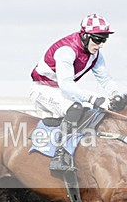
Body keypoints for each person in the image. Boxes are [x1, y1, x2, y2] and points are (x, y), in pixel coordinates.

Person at [29, 13, 121, 172]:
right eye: (97, 39)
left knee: (90, 112)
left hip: (58, 90)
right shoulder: (67, 50)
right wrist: (93, 98)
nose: (100, 45)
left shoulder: (95, 55)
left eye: (104, 40)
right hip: (41, 88)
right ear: (85, 36)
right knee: (76, 108)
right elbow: (66, 85)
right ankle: (58, 156)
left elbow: (105, 79)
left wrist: (116, 96)